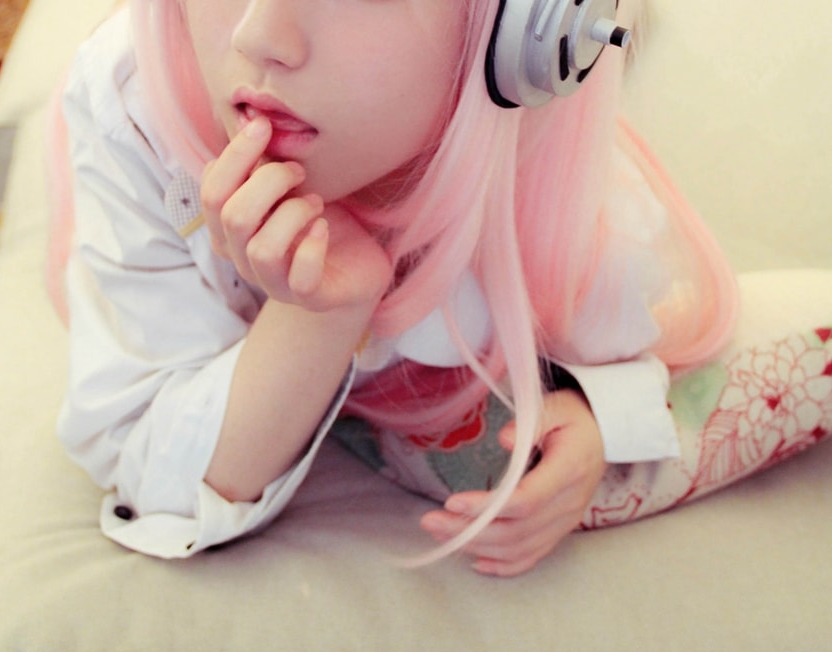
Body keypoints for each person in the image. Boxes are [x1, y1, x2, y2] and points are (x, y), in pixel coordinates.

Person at [50, 0, 738, 575]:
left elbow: (644, 347)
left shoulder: (579, 211)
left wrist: (597, 419)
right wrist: (319, 314)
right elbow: (153, 475)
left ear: (524, 30)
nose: (257, 36)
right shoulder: (131, 107)